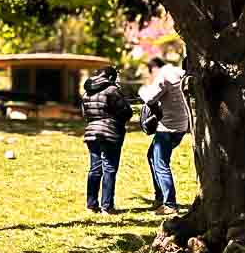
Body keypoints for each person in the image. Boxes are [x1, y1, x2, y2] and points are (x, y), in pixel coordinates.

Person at [139, 57, 191, 215]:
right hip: (181, 126)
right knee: (151, 156)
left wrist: (142, 89)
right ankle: (160, 198)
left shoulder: (164, 75)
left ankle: (169, 204)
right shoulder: (180, 73)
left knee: (161, 164)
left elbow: (149, 98)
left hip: (167, 128)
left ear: (154, 68)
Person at [80, 66, 132, 214]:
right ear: (110, 78)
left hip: (92, 133)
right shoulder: (112, 90)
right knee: (109, 169)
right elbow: (126, 112)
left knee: (95, 169)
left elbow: (85, 113)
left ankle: (91, 205)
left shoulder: (87, 91)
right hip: (110, 133)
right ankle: (107, 207)